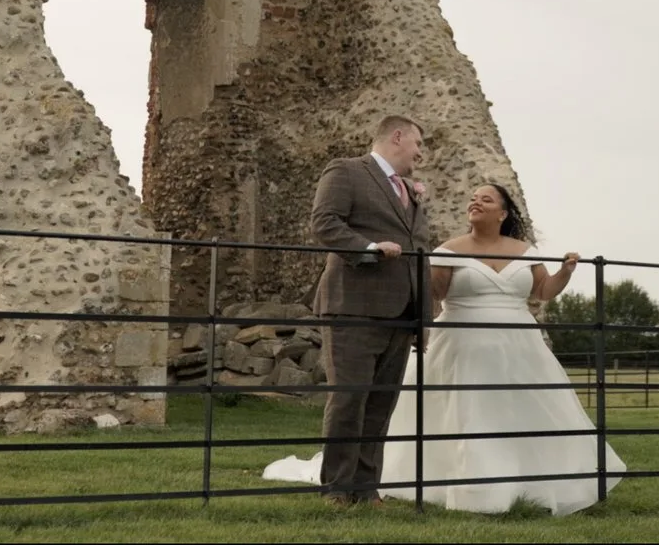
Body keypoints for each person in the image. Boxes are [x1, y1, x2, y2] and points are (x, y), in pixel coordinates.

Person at [265, 181, 627, 514]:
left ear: (502, 213)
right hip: (461, 344)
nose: (476, 202)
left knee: (521, 411)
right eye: (473, 198)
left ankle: (528, 483)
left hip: (520, 347)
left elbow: (543, 291)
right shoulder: (449, 250)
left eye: (486, 199)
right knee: (470, 413)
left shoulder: (525, 251)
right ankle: (473, 489)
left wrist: (565, 272)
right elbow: (433, 293)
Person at [301, 114, 432, 507]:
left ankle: (366, 489)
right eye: (418, 144)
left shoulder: (411, 191)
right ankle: (337, 489)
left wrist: (422, 319)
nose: (421, 153)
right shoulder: (346, 171)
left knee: (380, 406)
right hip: (353, 306)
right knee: (349, 399)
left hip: (401, 314)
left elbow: (419, 253)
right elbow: (324, 222)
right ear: (397, 137)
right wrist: (369, 249)